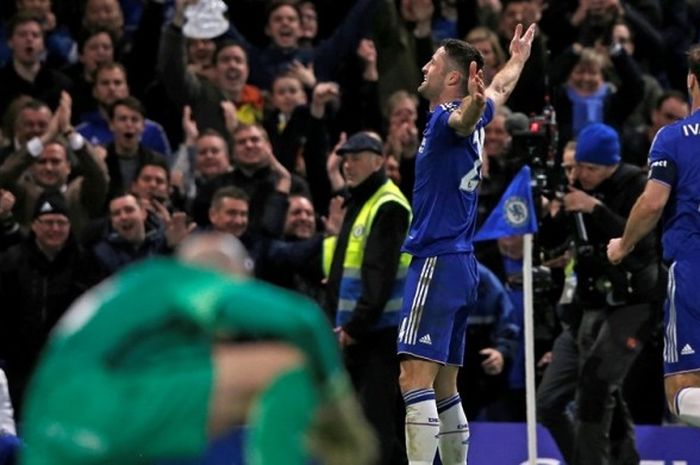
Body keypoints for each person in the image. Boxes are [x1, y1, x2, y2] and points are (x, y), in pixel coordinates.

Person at [20, 232, 377, 465]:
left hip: (48, 439)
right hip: (101, 406)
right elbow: (305, 320)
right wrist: (337, 404)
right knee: (283, 369)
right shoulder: (181, 281)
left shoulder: (130, 307)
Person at [395, 24, 535, 465]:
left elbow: (465, 116)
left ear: (452, 77)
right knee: (444, 387)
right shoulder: (473, 114)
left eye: (433, 62)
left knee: (412, 378)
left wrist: (473, 104)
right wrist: (519, 59)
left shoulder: (444, 119)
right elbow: (498, 89)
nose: (425, 66)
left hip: (436, 260)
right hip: (462, 264)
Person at [608, 44, 700, 428]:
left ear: (691, 81)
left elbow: (652, 203)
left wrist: (623, 245)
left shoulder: (674, 137)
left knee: (681, 394)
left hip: (694, 268)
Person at [324, 131, 412, 465]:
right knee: (368, 421)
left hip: (378, 332)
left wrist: (354, 327)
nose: (349, 165)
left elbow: (379, 275)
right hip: (361, 330)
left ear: (378, 161)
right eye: (346, 159)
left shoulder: (387, 204)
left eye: (357, 158)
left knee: (376, 420)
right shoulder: (360, 199)